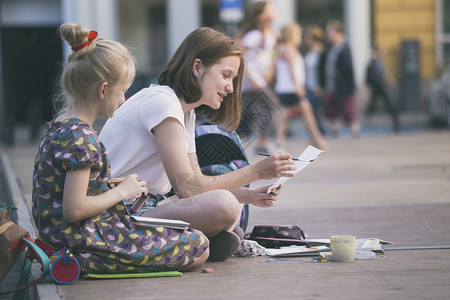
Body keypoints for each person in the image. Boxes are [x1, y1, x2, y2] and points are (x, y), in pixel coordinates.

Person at [99, 27, 295, 261]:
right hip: (119, 212)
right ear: (197, 67)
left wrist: (248, 195)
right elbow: (188, 188)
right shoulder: (162, 103)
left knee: (233, 203)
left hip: (147, 205)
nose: (231, 88)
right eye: (225, 75)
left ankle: (196, 242)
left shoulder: (185, 113)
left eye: (233, 79)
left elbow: (196, 183)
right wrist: (256, 171)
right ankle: (196, 243)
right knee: (225, 205)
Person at [31, 23, 209, 274]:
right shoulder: (82, 138)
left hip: (63, 237)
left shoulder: (58, 130)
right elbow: (74, 210)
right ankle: (85, 264)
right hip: (82, 242)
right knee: (198, 245)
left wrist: (115, 186)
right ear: (103, 90)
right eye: (122, 92)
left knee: (189, 237)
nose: (124, 100)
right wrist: (122, 191)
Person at [236, 0, 281, 153]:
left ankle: (234, 140)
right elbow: (240, 53)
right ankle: (262, 144)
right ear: (260, 16)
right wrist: (251, 76)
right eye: (269, 9)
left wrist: (269, 71)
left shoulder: (272, 34)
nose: (274, 11)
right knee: (272, 105)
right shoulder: (255, 34)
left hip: (259, 80)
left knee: (240, 112)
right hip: (252, 80)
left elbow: (271, 55)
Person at [274, 22, 327, 150]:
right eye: (298, 35)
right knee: (306, 111)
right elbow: (293, 69)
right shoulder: (289, 51)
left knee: (287, 114)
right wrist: (298, 86)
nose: (300, 38)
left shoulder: (283, 50)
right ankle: (317, 138)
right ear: (291, 36)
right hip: (291, 88)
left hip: (285, 88)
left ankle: (280, 140)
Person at [322, 20, 360, 138]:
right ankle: (335, 131)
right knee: (333, 111)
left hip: (343, 86)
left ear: (338, 32)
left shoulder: (344, 47)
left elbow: (347, 67)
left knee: (348, 111)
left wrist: (338, 72)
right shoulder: (334, 48)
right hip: (333, 86)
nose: (328, 35)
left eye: (331, 32)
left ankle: (355, 131)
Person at [365, 45, 400, 132]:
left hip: (377, 87)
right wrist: (392, 81)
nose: (385, 54)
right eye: (383, 52)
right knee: (389, 105)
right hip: (379, 86)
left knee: (374, 103)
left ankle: (369, 115)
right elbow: (383, 75)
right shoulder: (376, 63)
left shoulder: (376, 62)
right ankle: (395, 123)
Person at [304, 25, 327, 135]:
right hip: (309, 85)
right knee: (311, 111)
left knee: (313, 111)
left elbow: (323, 71)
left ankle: (320, 133)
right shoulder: (309, 52)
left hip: (316, 86)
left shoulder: (321, 52)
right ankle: (318, 133)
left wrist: (321, 85)